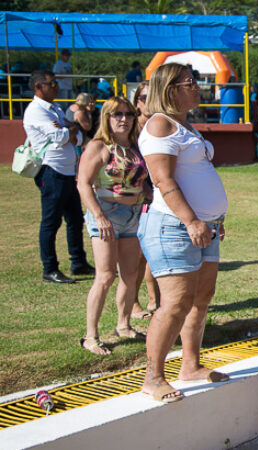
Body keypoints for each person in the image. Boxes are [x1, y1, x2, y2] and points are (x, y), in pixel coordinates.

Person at [137, 63, 229, 403]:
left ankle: (190, 365)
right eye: (191, 82)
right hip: (174, 227)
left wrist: (212, 217)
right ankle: (153, 377)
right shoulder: (160, 123)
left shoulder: (184, 125)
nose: (198, 86)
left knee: (200, 299)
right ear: (171, 88)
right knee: (174, 303)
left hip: (204, 228)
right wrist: (192, 220)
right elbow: (163, 180)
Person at [75, 97, 150, 355]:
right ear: (106, 117)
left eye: (128, 114)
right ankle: (91, 336)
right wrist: (98, 215)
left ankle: (124, 324)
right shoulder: (99, 146)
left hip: (133, 214)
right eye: (116, 114)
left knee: (130, 275)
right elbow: (83, 183)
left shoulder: (136, 146)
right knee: (105, 276)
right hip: (106, 212)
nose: (124, 119)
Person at [24, 69, 94, 284]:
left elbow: (78, 135)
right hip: (51, 170)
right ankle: (50, 268)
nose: (56, 87)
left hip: (67, 170)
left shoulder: (53, 108)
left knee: (74, 219)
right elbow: (61, 136)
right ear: (38, 87)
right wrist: (69, 130)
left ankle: (78, 262)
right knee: (51, 221)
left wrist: (69, 130)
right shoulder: (36, 110)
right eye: (52, 84)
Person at [131, 81, 160, 319]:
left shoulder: (162, 126)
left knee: (153, 252)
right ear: (136, 101)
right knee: (136, 255)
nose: (148, 101)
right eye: (143, 97)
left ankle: (154, 300)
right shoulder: (130, 129)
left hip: (158, 196)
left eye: (153, 96)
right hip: (136, 197)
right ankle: (133, 304)